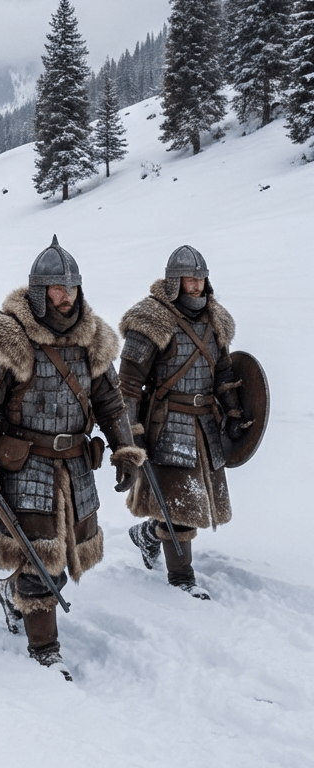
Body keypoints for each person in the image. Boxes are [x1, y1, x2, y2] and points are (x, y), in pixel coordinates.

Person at [0, 236, 143, 679]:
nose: (66, 297)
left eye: (72, 288)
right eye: (57, 289)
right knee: (39, 559)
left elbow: (111, 402)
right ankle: (45, 649)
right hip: (26, 466)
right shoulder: (6, 337)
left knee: (63, 557)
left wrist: (124, 449)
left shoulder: (94, 338)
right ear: (39, 291)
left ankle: (12, 597)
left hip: (76, 467)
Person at [118, 245, 244, 600]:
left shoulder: (214, 319)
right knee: (182, 504)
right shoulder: (151, 321)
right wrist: (133, 434)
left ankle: (146, 535)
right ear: (175, 282)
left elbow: (224, 372)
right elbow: (127, 384)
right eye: (190, 279)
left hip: (205, 425)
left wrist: (234, 413)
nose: (197, 286)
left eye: (201, 279)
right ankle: (181, 579)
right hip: (167, 423)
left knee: (183, 499)